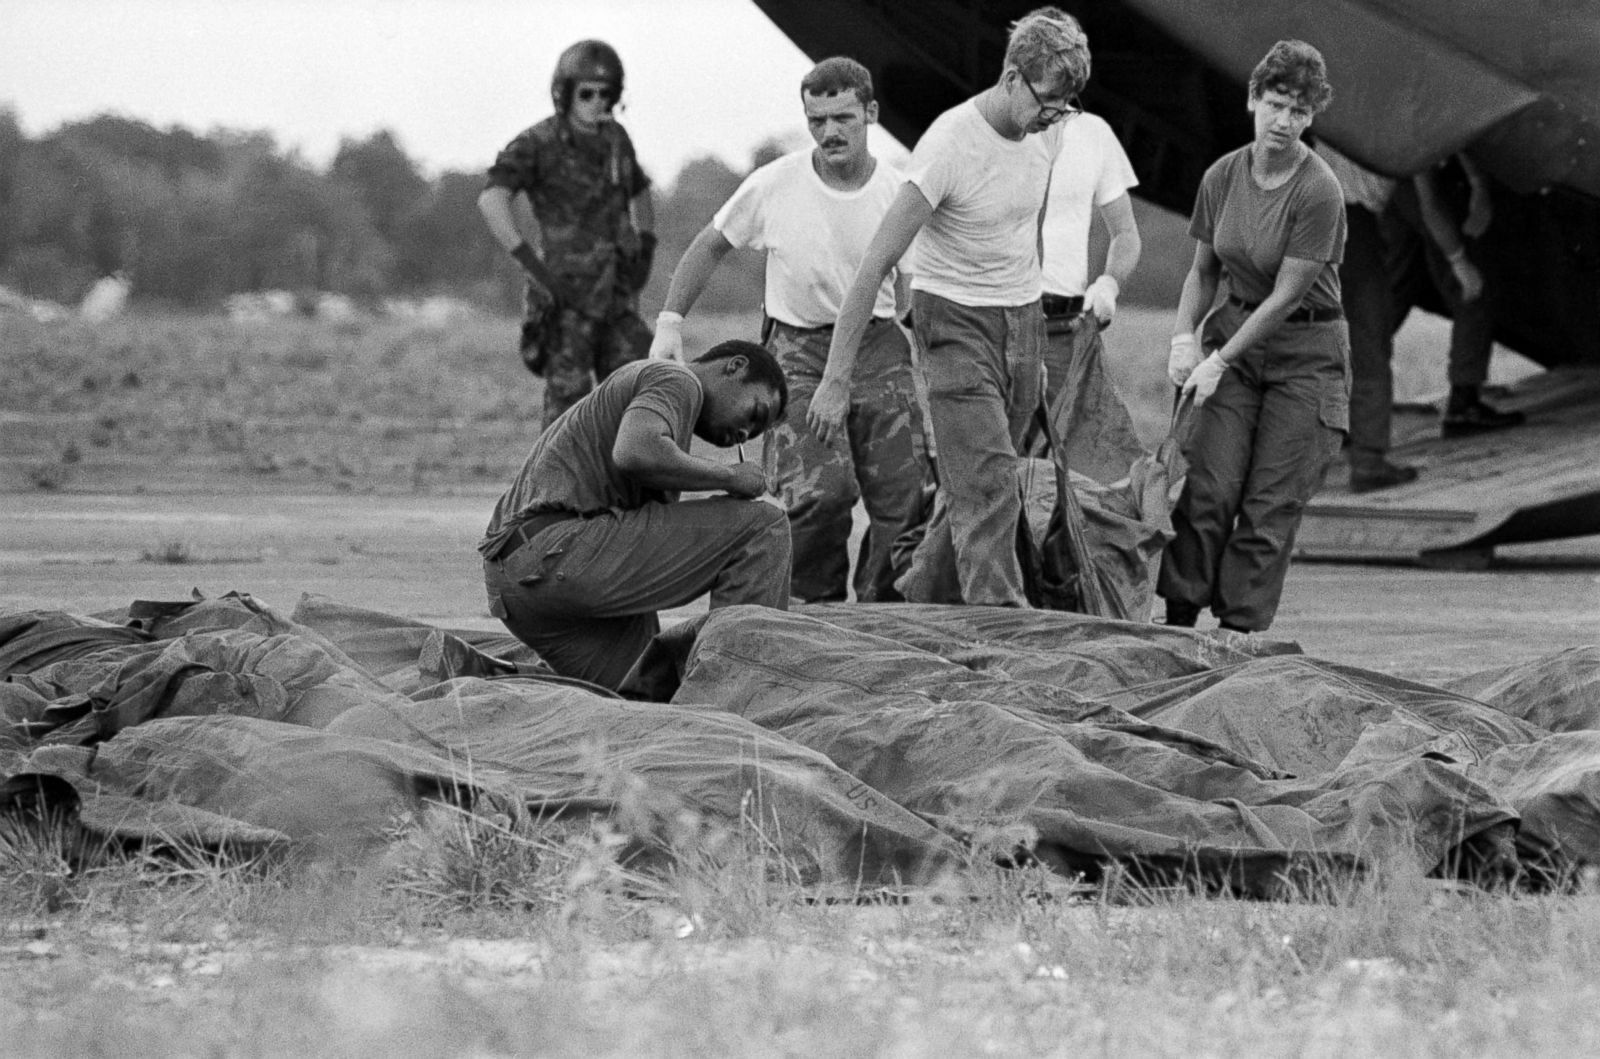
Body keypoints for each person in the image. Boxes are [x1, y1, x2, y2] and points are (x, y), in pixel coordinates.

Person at [809, 7, 1088, 607]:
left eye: (1066, 106)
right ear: (1012, 76)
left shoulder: (1048, 130)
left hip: (1021, 321)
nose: (1055, 116)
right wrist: (835, 378)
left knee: (981, 482)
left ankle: (915, 601)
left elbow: (1028, 228)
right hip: (954, 322)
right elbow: (875, 264)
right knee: (988, 489)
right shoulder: (949, 145)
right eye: (1047, 100)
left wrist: (1032, 340)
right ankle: (1003, 638)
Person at [649, 58, 930, 603]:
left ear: (870, 114)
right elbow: (711, 244)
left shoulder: (898, 193)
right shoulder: (775, 185)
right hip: (797, 352)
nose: (830, 132)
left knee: (905, 497)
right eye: (817, 120)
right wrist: (670, 322)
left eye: (843, 117)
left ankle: (883, 611)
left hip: (879, 349)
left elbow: (917, 293)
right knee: (818, 495)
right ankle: (811, 610)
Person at [1160, 40, 1347, 634]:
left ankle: (1238, 635)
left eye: (1299, 110)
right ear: (1252, 99)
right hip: (1232, 341)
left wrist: (1220, 359)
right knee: (1209, 488)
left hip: (1306, 353)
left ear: (1312, 116)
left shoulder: (1319, 191)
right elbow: (1203, 270)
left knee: (1269, 505)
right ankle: (1179, 619)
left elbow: (1287, 295)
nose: (1284, 121)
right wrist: (1183, 338)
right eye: (1275, 104)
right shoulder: (1223, 175)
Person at [479, 340, 791, 691]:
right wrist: (732, 477)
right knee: (764, 526)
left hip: (516, 585)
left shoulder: (664, 407)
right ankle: (737, 693)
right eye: (755, 414)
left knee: (650, 693)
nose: (745, 433)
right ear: (734, 367)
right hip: (558, 551)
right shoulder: (677, 379)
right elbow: (635, 452)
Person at [1319, 143, 1520, 494]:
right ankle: (1367, 462)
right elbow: (1430, 206)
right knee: (1368, 345)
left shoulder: (1338, 109)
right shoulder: (1402, 129)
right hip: (1350, 225)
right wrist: (1460, 262)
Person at [478, 39, 657, 429]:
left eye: (606, 93)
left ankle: (635, 486)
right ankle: (558, 488)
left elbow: (640, 192)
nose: (597, 101)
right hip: (566, 294)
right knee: (568, 409)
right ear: (564, 92)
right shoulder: (537, 143)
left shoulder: (616, 140)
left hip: (618, 295)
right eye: (586, 93)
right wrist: (531, 264)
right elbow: (492, 199)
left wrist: (646, 249)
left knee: (635, 397)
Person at [1032, 102, 1144, 485]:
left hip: (1067, 332)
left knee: (1089, 475)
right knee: (997, 471)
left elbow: (1126, 235)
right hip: (1001, 326)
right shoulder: (987, 125)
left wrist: (1109, 282)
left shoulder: (1093, 132)